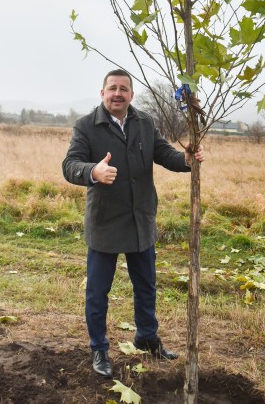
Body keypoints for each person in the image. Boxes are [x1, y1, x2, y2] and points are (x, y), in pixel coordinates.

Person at [62, 69, 204, 377]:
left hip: (141, 221)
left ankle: (147, 338)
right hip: (105, 223)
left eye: (123, 89)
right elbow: (70, 165)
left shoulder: (145, 123)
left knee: (146, 287)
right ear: (102, 93)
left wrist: (186, 160)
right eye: (112, 88)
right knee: (98, 294)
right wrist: (92, 172)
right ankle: (99, 349)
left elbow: (165, 154)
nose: (117, 93)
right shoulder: (86, 126)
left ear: (131, 95)